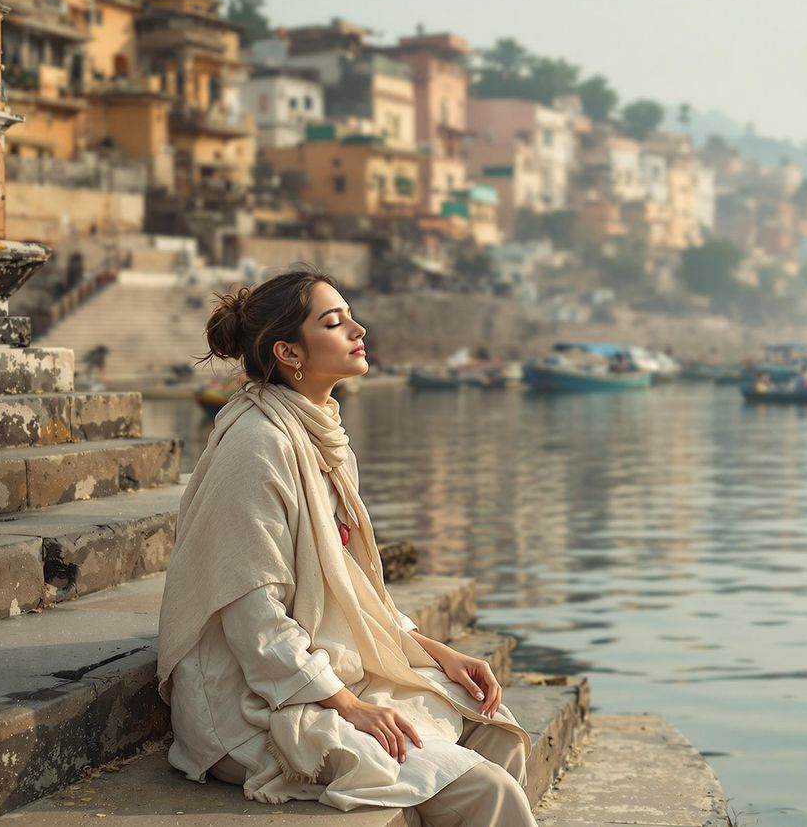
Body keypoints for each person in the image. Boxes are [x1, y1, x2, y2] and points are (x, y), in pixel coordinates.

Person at [157, 268, 536, 826]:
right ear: (289, 351)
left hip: (316, 665)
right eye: (334, 322)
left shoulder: (321, 434)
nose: (359, 328)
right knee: (488, 792)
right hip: (252, 699)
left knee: (492, 725)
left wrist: (436, 652)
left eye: (350, 315)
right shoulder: (257, 446)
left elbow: (354, 587)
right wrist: (351, 707)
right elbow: (251, 617)